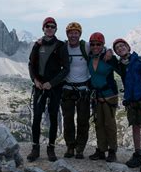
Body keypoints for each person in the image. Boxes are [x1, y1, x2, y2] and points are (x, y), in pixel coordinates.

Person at [113, 38, 141, 172]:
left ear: (128, 47)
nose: (120, 48)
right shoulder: (122, 65)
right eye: (117, 48)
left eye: (122, 46)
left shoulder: (140, 63)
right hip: (131, 101)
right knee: (135, 127)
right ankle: (137, 155)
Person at [28, 17, 70, 162]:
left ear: (56, 29)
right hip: (39, 86)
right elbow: (31, 64)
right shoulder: (37, 45)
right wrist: (35, 80)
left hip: (54, 88)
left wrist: (51, 83)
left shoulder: (61, 46)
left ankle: (51, 149)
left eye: (52, 26)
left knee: (53, 117)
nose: (50, 28)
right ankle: (35, 148)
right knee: (37, 117)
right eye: (47, 26)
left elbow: (66, 69)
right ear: (43, 28)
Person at [87, 32, 120, 162]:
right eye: (93, 44)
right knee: (99, 124)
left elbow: (122, 70)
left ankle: (112, 151)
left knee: (109, 124)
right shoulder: (89, 58)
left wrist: (110, 52)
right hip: (96, 96)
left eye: (98, 44)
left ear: (102, 45)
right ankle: (101, 150)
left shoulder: (109, 58)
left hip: (109, 95)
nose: (95, 46)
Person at [61, 22, 91, 159]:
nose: (73, 35)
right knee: (68, 120)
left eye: (76, 32)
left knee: (83, 120)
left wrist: (108, 51)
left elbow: (101, 50)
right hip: (67, 89)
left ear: (80, 34)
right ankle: (70, 147)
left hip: (83, 90)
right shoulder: (63, 47)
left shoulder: (86, 46)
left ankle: (80, 148)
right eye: (70, 33)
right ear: (67, 34)